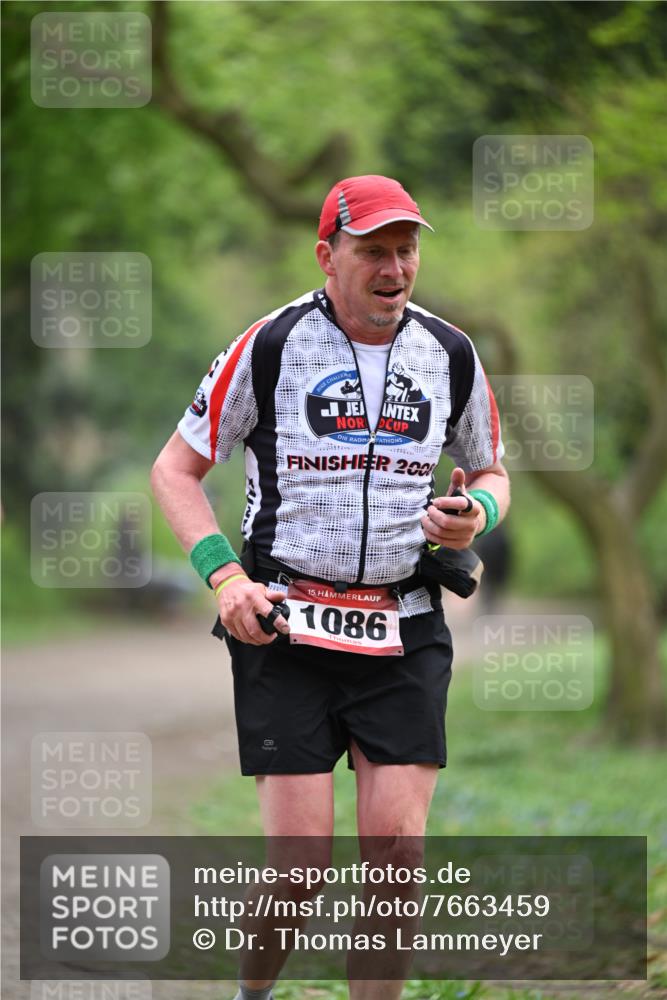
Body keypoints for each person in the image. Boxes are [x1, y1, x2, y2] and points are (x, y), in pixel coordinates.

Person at [151, 175, 510, 1000]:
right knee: (299, 869)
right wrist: (225, 577)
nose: (394, 268)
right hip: (284, 625)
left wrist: (475, 513)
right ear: (327, 256)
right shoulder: (269, 346)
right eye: (373, 252)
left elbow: (491, 469)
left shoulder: (449, 352)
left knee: (397, 860)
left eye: (405, 250)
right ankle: (252, 994)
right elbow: (175, 470)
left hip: (403, 623)